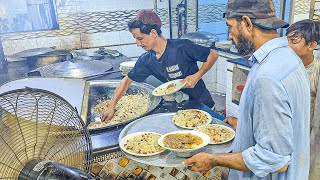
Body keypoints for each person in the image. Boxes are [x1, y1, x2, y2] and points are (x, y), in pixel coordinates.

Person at [182, 0, 310, 179]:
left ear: (247, 23)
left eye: (231, 27)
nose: (229, 36)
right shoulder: (289, 58)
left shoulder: (268, 76)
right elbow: (284, 125)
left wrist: (214, 159)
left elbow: (274, 159)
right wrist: (245, 126)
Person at [101, 10, 219, 122]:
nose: (137, 44)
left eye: (140, 38)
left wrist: (197, 76)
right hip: (180, 109)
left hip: (203, 104)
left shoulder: (182, 47)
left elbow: (213, 55)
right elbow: (126, 81)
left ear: (153, 33)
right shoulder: (146, 60)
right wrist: (111, 106)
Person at [286, 19, 320, 180]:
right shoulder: (286, 68)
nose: (288, 45)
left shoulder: (316, 72)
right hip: (284, 138)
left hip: (305, 143)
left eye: (294, 41)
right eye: (287, 40)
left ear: (312, 45)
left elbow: (317, 125)